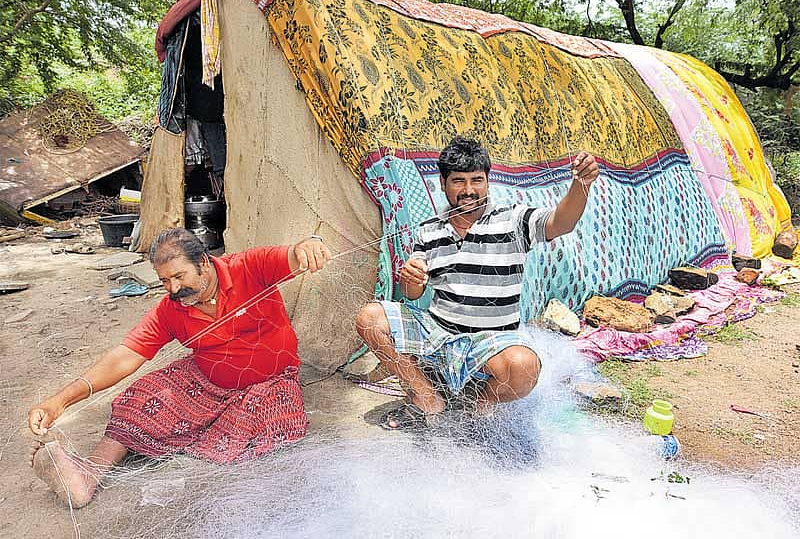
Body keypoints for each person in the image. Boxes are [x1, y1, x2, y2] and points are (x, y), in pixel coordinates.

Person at [28, 228, 332, 507]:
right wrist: (61, 401)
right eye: (163, 281)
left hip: (269, 383)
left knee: (274, 426)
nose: (173, 288)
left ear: (203, 263)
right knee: (141, 399)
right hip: (204, 381)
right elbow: (125, 356)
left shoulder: (249, 267)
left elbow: (293, 255)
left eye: (178, 276)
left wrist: (310, 245)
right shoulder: (170, 309)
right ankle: (85, 476)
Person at [356, 136, 599, 430]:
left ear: (487, 182)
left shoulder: (514, 220)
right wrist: (412, 278)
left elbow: (562, 222)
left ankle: (479, 404)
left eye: (477, 180)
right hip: (439, 334)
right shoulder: (429, 231)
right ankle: (426, 397)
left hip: (492, 340)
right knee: (369, 318)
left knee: (524, 367)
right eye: (458, 181)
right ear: (443, 183)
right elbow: (412, 293)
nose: (469, 190)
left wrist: (581, 185)